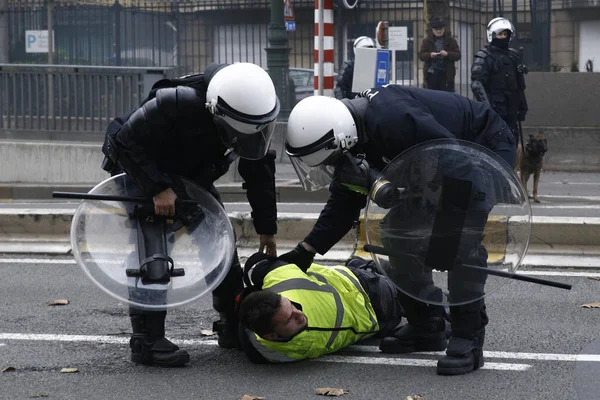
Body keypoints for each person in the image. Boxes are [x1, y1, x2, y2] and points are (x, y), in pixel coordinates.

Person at [281, 85, 517, 375]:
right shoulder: (351, 138)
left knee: (458, 239)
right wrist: (306, 251)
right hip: (440, 159)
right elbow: (345, 200)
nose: (331, 167)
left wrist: (444, 239)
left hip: (480, 145)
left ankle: (468, 336)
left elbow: (459, 167)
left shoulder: (394, 120)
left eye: (330, 161)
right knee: (398, 231)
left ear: (340, 141)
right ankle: (427, 324)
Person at [100, 62, 280, 367]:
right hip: (142, 167)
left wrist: (267, 227)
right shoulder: (176, 102)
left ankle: (231, 324)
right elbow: (123, 142)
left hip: (193, 174)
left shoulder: (253, 108)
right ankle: (147, 341)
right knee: (154, 252)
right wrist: (157, 188)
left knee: (220, 244)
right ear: (216, 111)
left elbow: (258, 168)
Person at [236, 252, 404, 363]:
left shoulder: (279, 283)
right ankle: (361, 265)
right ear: (271, 336)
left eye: (292, 305)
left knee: (403, 283)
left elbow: (263, 266)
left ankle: (365, 267)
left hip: (363, 286)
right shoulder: (278, 352)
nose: (299, 313)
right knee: (401, 293)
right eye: (289, 319)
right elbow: (264, 268)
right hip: (374, 314)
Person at [471, 17, 528, 144]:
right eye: (500, 34)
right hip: (495, 104)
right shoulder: (484, 56)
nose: (503, 37)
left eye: (505, 34)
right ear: (492, 35)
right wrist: (488, 106)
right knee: (495, 138)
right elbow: (477, 83)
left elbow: (519, 84)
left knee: (512, 138)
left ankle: (511, 163)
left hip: (512, 105)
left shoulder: (513, 56)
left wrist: (522, 105)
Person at [418, 18, 461, 92]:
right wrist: (430, 55)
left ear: (443, 29)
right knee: (431, 95)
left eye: (440, 29)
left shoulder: (451, 41)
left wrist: (448, 54)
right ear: (432, 30)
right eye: (436, 29)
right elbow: (421, 55)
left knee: (447, 96)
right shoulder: (426, 41)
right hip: (431, 73)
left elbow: (458, 55)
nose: (438, 31)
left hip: (446, 74)